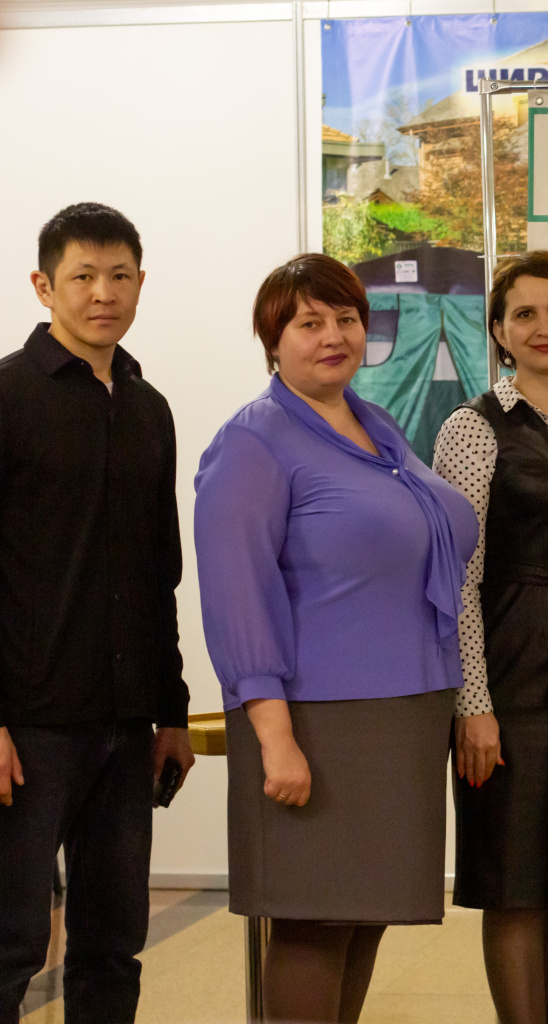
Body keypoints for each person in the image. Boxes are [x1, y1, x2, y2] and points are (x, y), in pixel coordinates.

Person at [194, 254, 477, 1024]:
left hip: (402, 712)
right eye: (309, 323)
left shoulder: (376, 426)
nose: (333, 336)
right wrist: (275, 735)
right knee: (314, 921)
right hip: (318, 718)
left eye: (347, 319)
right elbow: (236, 592)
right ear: (273, 341)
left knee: (364, 913)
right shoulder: (255, 440)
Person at [0, 203, 193, 1024]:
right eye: (82, 276)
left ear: (141, 283)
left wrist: (171, 711)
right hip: (28, 728)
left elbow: (159, 573)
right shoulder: (8, 396)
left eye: (119, 276)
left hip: (126, 724)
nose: (103, 293)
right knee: (9, 943)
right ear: (44, 285)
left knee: (113, 945)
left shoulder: (149, 408)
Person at [433, 251, 548, 1024]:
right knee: (516, 885)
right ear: (500, 332)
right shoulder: (473, 427)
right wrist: (473, 705)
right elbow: (456, 578)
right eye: (524, 314)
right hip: (509, 676)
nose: (545, 326)